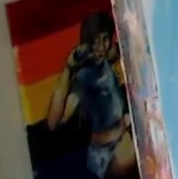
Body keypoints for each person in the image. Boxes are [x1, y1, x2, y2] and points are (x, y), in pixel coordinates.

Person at [46, 12, 136, 179]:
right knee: (130, 152)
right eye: (96, 42)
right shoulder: (83, 79)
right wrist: (68, 68)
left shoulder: (105, 61)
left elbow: (118, 50)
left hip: (124, 135)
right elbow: (53, 122)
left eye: (105, 39)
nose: (101, 47)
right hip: (105, 155)